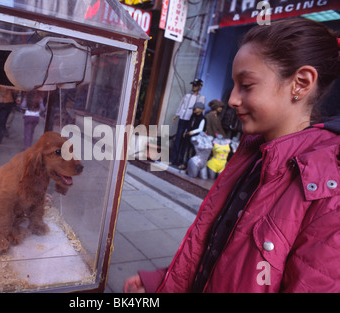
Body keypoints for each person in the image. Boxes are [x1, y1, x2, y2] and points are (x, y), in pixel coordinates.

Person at [124, 18, 340, 293]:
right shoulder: (252, 156)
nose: (232, 100)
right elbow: (219, 251)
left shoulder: (327, 189)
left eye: (247, 85)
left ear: (300, 83)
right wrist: (164, 281)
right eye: (234, 85)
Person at [171, 79, 205, 166]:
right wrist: (177, 114)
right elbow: (181, 105)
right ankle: (173, 159)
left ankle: (181, 161)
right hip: (183, 118)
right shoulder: (187, 96)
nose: (194, 87)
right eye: (193, 85)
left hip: (191, 121)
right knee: (178, 139)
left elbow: (200, 110)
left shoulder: (201, 98)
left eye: (196, 85)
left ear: (200, 86)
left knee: (185, 142)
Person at [177, 102, 206, 169]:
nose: (194, 110)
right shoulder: (193, 116)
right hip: (188, 136)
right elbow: (189, 124)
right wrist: (186, 131)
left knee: (191, 151)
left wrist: (193, 132)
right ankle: (181, 162)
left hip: (195, 138)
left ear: (201, 109)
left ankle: (187, 165)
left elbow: (200, 129)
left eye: (196, 108)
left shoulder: (202, 118)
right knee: (184, 149)